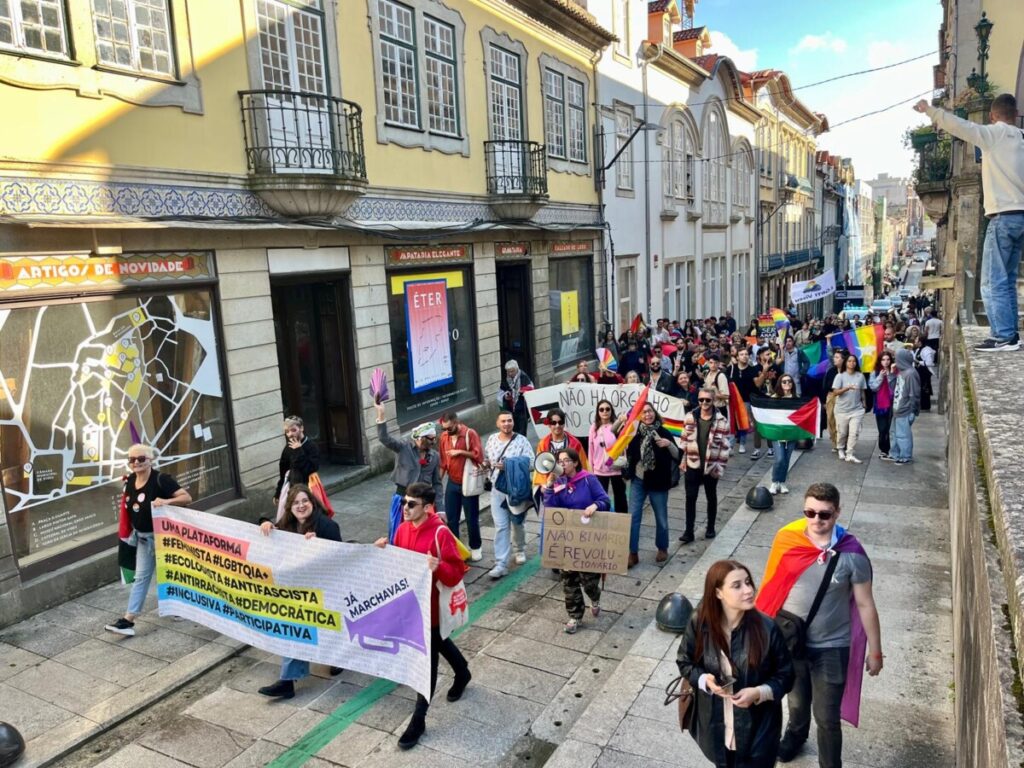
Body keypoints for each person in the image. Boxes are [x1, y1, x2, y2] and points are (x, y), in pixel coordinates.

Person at [756, 483, 883, 767]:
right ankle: (795, 736)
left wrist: (875, 652)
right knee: (797, 703)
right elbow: (771, 587)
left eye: (824, 514)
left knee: (826, 717)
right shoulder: (787, 538)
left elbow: (865, 604)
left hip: (832, 646)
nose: (816, 520)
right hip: (791, 640)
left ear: (837, 512)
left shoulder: (852, 554)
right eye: (810, 512)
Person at [915, 95, 1024, 352]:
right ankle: (1011, 335)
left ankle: (1004, 336)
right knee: (1007, 279)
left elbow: (961, 127)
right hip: (1022, 214)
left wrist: (930, 111)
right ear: (1015, 113)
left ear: (993, 116)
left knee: (991, 280)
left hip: (1003, 216)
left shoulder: (994, 135)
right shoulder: (1021, 137)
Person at [374, 482, 471, 750]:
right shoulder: (403, 529)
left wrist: (438, 566)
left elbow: (457, 572)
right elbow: (397, 564)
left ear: (427, 508)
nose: (404, 508)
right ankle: (462, 672)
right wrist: (382, 551)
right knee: (440, 643)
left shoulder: (441, 533)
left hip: (433, 609)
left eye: (411, 504)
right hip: (411, 609)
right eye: (404, 502)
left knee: (426, 663)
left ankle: (419, 719)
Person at [677, 560, 795, 768]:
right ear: (718, 593)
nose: (748, 590)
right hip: (716, 729)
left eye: (748, 582)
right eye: (737, 585)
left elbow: (786, 676)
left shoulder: (767, 628)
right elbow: (685, 661)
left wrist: (759, 692)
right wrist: (705, 680)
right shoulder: (700, 622)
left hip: (758, 733)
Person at [257, 484, 342, 699]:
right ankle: (287, 682)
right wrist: (264, 523)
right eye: (295, 503)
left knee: (328, 628)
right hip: (300, 591)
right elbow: (268, 530)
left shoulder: (328, 527)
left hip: (325, 587)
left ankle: (338, 657)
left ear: (312, 503)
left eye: (305, 501)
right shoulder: (287, 526)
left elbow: (340, 560)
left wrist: (318, 547)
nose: (301, 506)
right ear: (289, 507)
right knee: (295, 626)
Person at [105, 444, 192, 636]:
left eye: (141, 459)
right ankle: (128, 619)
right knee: (141, 577)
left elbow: (187, 497)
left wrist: (166, 501)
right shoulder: (130, 481)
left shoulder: (161, 480)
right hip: (144, 540)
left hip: (164, 538)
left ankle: (180, 607)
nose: (136, 463)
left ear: (150, 460)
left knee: (170, 573)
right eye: (132, 460)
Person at [542, 448, 611, 634]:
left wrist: (595, 505)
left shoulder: (588, 479)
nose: (562, 464)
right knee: (569, 581)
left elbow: (605, 500)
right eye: (559, 461)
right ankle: (575, 616)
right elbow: (551, 510)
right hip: (568, 539)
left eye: (565, 460)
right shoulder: (557, 482)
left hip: (588, 537)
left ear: (575, 463)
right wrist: (549, 487)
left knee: (588, 580)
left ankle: (594, 597)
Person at [626, 402, 680, 567]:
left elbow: (677, 455)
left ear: (655, 413)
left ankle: (662, 547)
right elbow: (627, 452)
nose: (647, 415)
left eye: (649, 411)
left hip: (658, 482)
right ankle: (632, 552)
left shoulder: (664, 432)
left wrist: (668, 444)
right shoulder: (635, 434)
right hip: (638, 480)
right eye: (643, 413)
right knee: (633, 517)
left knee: (661, 517)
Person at [483, 411, 534, 578]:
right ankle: (501, 563)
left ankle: (520, 549)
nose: (507, 424)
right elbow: (486, 458)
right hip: (497, 490)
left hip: (516, 490)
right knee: (501, 526)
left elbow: (532, 463)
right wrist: (485, 464)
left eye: (509, 420)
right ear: (498, 424)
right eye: (503, 421)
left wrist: (509, 466)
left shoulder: (521, 441)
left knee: (517, 523)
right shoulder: (491, 439)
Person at [375, 402, 444, 519]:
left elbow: (437, 484)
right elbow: (384, 438)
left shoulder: (435, 456)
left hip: (423, 501)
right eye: (431, 439)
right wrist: (381, 414)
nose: (434, 442)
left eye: (434, 438)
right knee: (400, 532)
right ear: (420, 438)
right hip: (403, 498)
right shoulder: (403, 447)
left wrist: (441, 509)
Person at [680, 387, 731, 543]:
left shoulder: (721, 421)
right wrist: (683, 461)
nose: (704, 403)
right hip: (692, 463)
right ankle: (689, 531)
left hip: (712, 464)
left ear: (713, 400)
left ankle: (710, 527)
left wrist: (719, 467)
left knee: (711, 496)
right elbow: (684, 441)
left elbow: (725, 446)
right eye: (701, 400)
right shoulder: (690, 417)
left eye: (707, 400)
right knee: (690, 497)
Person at [438, 411, 485, 561]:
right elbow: (443, 462)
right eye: (444, 429)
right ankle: (455, 548)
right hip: (452, 482)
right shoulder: (444, 437)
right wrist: (438, 483)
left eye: (449, 428)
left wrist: (461, 452)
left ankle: (476, 546)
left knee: (472, 517)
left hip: (468, 480)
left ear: (457, 422)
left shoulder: (470, 433)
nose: (447, 431)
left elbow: (478, 455)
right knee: (451, 518)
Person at [273, 415, 320, 521]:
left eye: (293, 430)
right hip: (291, 491)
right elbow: (283, 474)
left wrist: (299, 451)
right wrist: (278, 493)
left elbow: (311, 469)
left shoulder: (311, 447)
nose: (290, 434)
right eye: (287, 431)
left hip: (308, 490)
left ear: (301, 428)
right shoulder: (287, 448)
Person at [588, 400, 628, 512]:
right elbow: (590, 450)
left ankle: (621, 524)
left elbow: (624, 445)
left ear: (611, 411)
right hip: (599, 470)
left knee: (620, 497)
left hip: (616, 468)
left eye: (607, 409)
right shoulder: (593, 428)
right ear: (598, 412)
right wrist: (591, 470)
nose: (604, 411)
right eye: (601, 409)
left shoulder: (617, 425)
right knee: (600, 499)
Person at [767, 374, 800, 496]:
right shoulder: (774, 398)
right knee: (779, 458)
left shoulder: (796, 399)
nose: (787, 384)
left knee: (786, 459)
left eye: (789, 381)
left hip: (791, 434)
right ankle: (774, 481)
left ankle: (782, 482)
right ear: (780, 383)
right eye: (784, 381)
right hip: (777, 434)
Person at [831, 354, 866, 464]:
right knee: (842, 433)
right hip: (842, 410)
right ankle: (840, 448)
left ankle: (850, 453)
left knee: (854, 432)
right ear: (845, 363)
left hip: (857, 409)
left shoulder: (860, 376)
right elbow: (835, 392)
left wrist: (864, 403)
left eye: (854, 361)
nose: (852, 363)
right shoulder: (840, 376)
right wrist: (846, 388)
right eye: (849, 361)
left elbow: (862, 391)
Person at [889, 348, 921, 465]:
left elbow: (914, 394)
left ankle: (905, 456)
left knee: (903, 435)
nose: (895, 361)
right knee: (895, 434)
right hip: (897, 409)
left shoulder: (911, 373)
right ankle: (896, 454)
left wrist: (913, 411)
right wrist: (892, 374)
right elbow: (893, 388)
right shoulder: (901, 372)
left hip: (905, 410)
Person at [751, 348, 783, 460]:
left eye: (770, 354)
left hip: (772, 400)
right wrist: (764, 371)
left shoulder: (776, 368)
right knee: (758, 426)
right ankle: (757, 449)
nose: (769, 356)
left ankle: (771, 448)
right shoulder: (755, 369)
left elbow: (781, 383)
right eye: (767, 354)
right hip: (758, 400)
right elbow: (757, 385)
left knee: (770, 424)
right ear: (760, 356)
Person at [728, 348, 759, 455]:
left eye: (746, 354)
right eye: (741, 354)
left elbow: (757, 385)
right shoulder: (731, 369)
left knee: (743, 422)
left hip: (746, 400)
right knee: (732, 423)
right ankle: (730, 446)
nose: (744, 356)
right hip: (732, 400)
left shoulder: (752, 369)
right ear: (737, 357)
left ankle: (742, 444)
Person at [868, 352, 896, 460]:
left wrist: (890, 375)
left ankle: (891, 449)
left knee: (891, 428)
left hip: (892, 403)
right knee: (882, 428)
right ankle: (883, 449)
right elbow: (873, 387)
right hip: (880, 405)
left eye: (888, 359)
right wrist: (880, 376)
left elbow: (894, 388)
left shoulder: (894, 372)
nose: (886, 362)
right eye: (883, 360)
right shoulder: (874, 372)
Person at [497, 360, 534, 435]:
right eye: (508, 371)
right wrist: (505, 396)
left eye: (512, 371)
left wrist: (522, 390)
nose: (510, 373)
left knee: (522, 431)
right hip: (510, 409)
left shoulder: (523, 376)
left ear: (517, 369)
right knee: (512, 431)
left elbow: (531, 388)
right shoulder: (506, 379)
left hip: (521, 409)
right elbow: (501, 391)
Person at [821, 349, 847, 454]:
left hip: (845, 398)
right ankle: (836, 443)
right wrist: (824, 401)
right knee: (831, 421)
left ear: (843, 359)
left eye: (837, 357)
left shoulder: (848, 372)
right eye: (834, 357)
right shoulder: (831, 371)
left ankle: (843, 443)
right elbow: (825, 386)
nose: (834, 359)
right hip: (831, 396)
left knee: (843, 422)